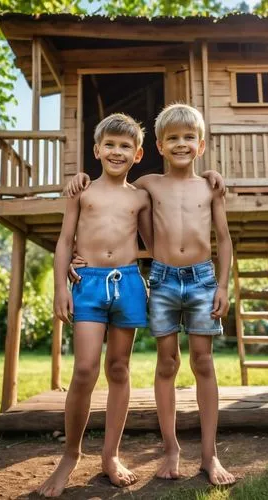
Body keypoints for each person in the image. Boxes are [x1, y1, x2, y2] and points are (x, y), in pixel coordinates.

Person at [67, 104, 235, 486]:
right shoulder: (148, 184)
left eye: (189, 137)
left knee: (204, 363)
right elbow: (114, 198)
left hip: (202, 280)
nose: (181, 144)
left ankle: (210, 455)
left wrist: (223, 285)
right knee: (166, 364)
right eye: (172, 138)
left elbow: (223, 239)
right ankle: (171, 449)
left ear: (201, 144)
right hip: (160, 280)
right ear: (158, 145)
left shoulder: (210, 186)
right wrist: (78, 178)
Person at [37, 113, 153, 497]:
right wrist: (60, 285)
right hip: (86, 285)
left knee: (118, 368)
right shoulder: (81, 191)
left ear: (137, 154)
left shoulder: (140, 196)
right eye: (110, 145)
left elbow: (155, 240)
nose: (116, 152)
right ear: (96, 150)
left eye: (125, 146)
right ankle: (70, 456)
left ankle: (111, 456)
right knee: (85, 369)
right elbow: (63, 239)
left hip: (129, 282)